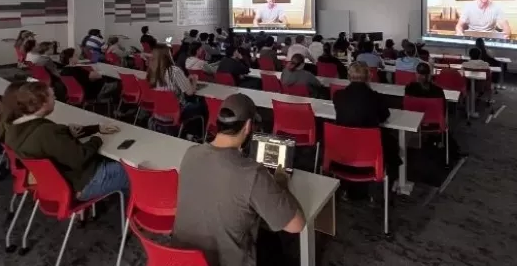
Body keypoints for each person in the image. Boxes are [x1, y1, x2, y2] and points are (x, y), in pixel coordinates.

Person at [173, 93, 305, 266]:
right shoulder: (252, 174)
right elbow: (296, 225)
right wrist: (281, 183)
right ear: (249, 126)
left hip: (181, 259)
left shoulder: (190, 153)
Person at [0, 81, 129, 202]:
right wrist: (98, 139)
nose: (55, 99)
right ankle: (140, 210)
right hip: (82, 184)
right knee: (131, 173)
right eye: (52, 96)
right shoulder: (47, 131)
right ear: (44, 103)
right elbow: (80, 158)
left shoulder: (13, 130)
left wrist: (96, 128)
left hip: (56, 184)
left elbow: (52, 140)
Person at [332, 62, 401, 183]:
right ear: (369, 77)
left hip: (344, 146)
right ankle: (393, 180)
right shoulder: (376, 97)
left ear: (348, 77)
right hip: (369, 148)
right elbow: (384, 116)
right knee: (392, 141)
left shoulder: (338, 95)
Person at [146, 44, 204, 121]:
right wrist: (194, 81)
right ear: (168, 55)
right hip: (176, 112)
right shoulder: (175, 71)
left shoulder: (151, 71)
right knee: (203, 106)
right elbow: (190, 92)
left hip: (158, 112)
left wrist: (184, 79)